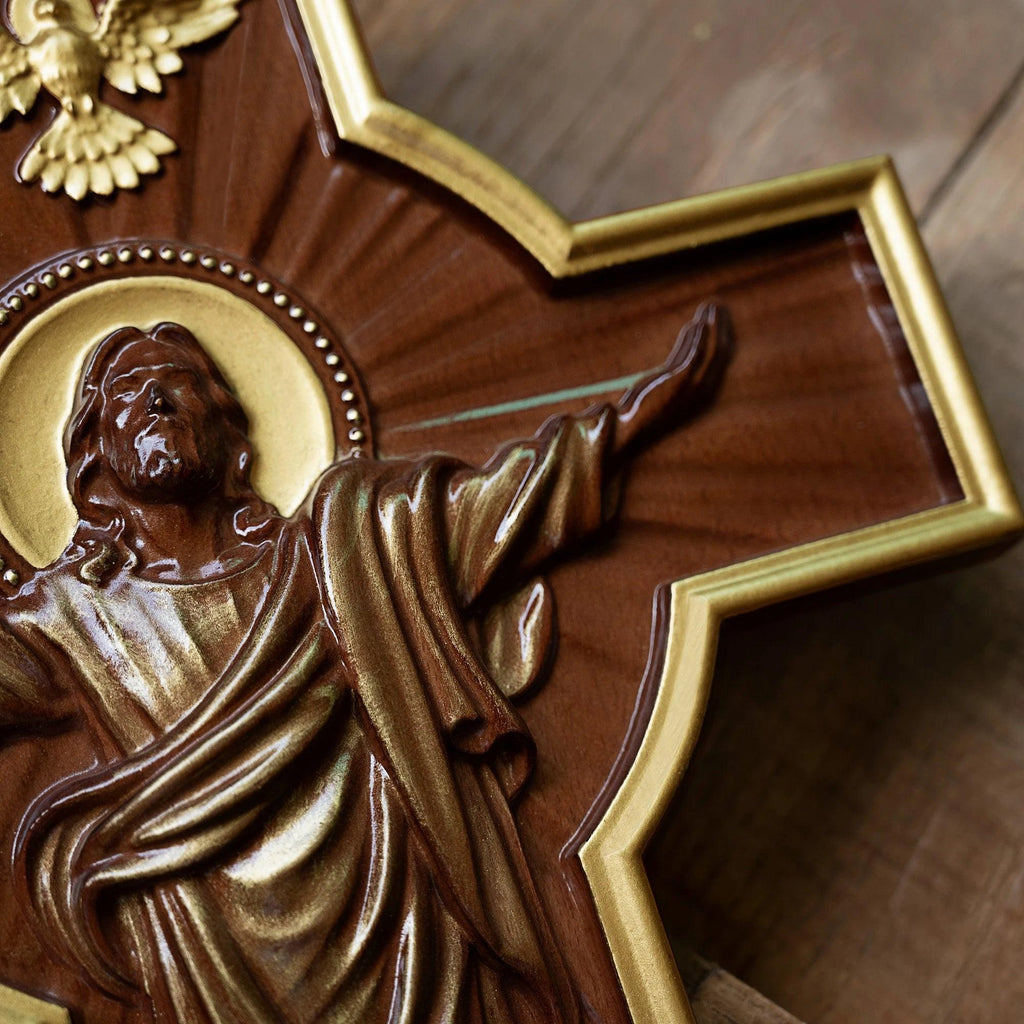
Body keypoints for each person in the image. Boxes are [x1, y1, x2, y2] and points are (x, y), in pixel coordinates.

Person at [0, 307, 729, 1024]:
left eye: (179, 381)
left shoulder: (343, 552)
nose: (155, 397)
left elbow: (499, 508)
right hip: (224, 958)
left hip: (405, 919)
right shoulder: (67, 616)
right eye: (127, 391)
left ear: (226, 427)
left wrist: (632, 423)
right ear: (94, 451)